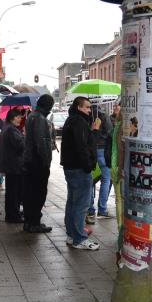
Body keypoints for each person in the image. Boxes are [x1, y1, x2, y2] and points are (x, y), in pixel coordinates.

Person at [61, 96, 101, 250]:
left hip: (71, 167)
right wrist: (88, 165)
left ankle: (72, 235)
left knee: (72, 203)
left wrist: (92, 130)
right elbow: (83, 147)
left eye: (90, 108)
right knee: (80, 205)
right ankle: (79, 238)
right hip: (79, 169)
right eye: (87, 107)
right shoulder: (79, 122)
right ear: (79, 107)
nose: (89, 110)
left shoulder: (72, 120)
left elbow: (83, 142)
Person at [23, 94, 55, 233]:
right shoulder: (40, 119)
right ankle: (34, 222)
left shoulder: (32, 116)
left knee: (30, 192)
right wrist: (46, 162)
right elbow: (41, 143)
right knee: (38, 193)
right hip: (38, 163)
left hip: (30, 161)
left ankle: (30, 221)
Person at [87, 105, 113, 224]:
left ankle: (90, 209)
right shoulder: (105, 116)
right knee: (106, 179)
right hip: (103, 150)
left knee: (90, 181)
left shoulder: (86, 116)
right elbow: (110, 132)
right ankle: (102, 209)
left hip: (91, 150)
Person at [0, 109, 25, 223]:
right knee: (14, 192)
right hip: (14, 166)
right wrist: (25, 136)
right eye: (18, 117)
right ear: (12, 118)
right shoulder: (11, 129)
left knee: (11, 192)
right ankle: (13, 215)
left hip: (10, 165)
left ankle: (11, 214)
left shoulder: (7, 127)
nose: (20, 119)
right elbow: (20, 145)